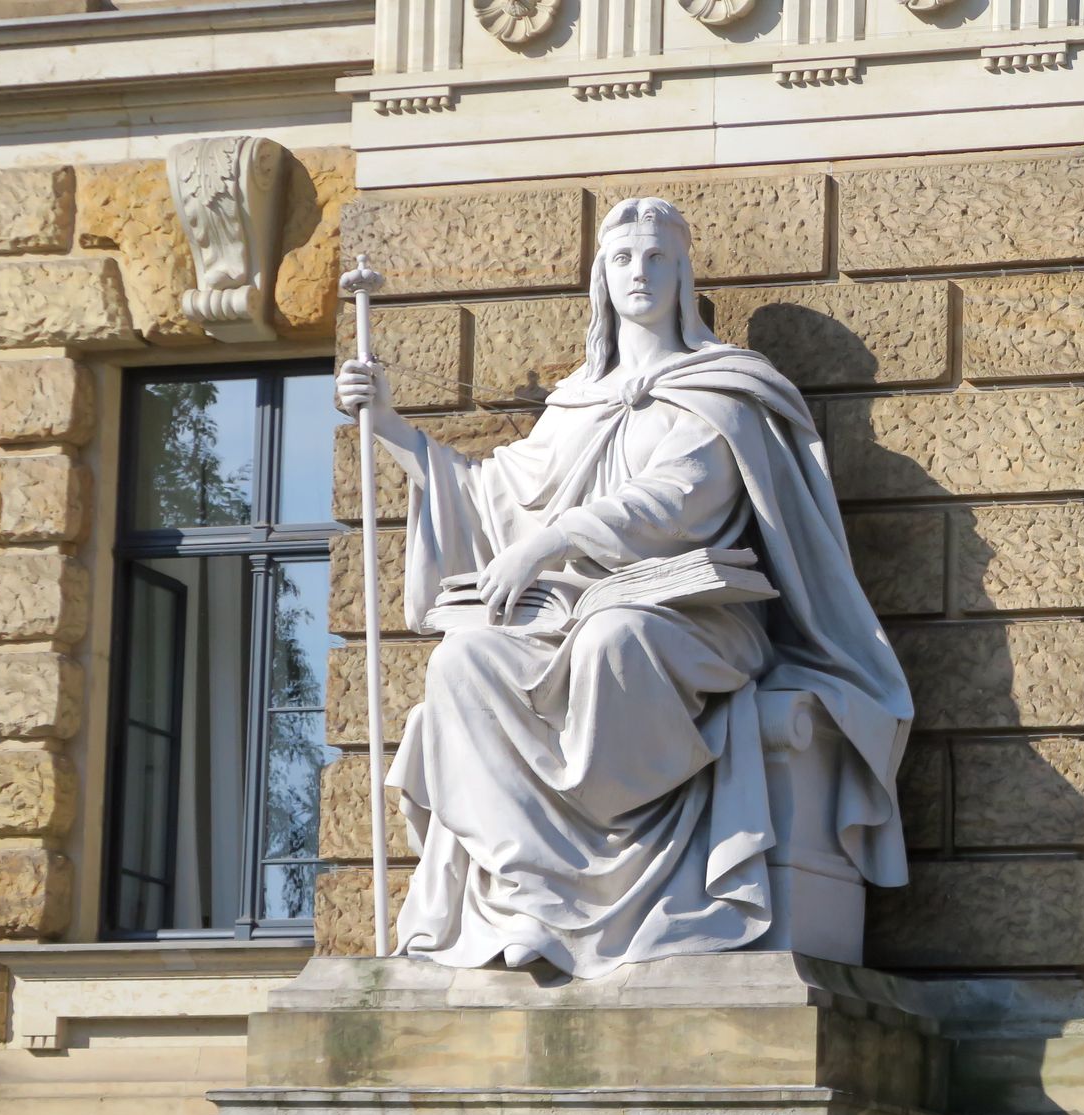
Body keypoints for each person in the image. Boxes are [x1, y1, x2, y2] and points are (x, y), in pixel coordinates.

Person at [336, 198, 911, 977]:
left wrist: (554, 541)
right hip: (570, 615)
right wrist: (393, 428)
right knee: (460, 663)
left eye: (656, 258)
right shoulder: (578, 400)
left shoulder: (724, 390)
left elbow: (683, 496)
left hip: (693, 615)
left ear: (683, 273)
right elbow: (497, 493)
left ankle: (598, 884)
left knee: (615, 640)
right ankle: (534, 890)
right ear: (601, 281)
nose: (638, 273)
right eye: (621, 259)